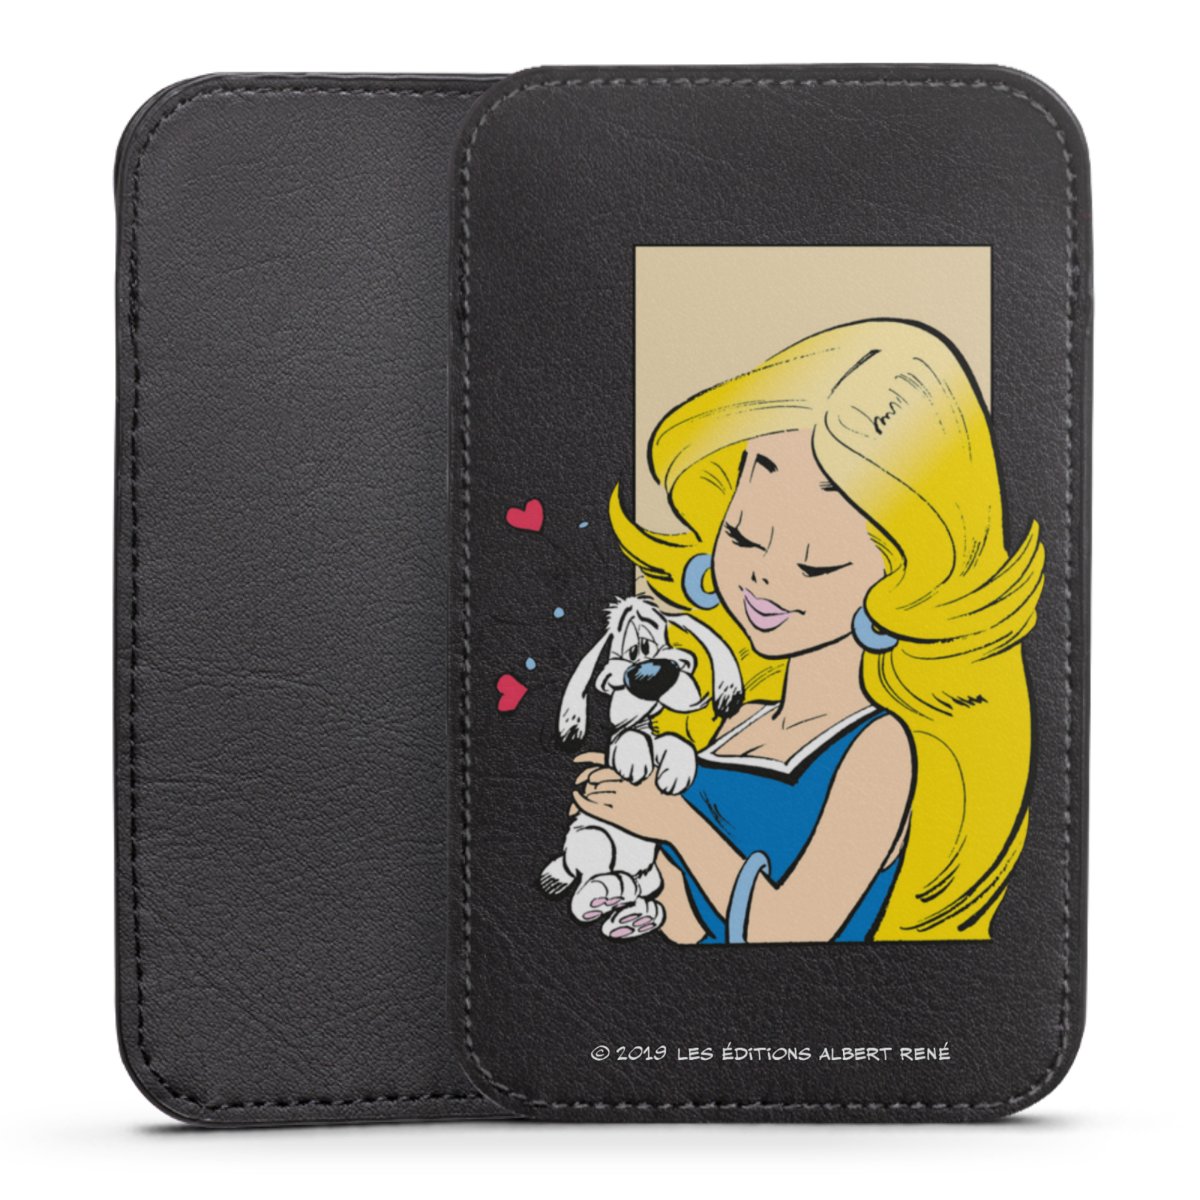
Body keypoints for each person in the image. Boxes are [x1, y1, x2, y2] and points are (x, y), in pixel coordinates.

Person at [572, 319, 1044, 942]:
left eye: (814, 565)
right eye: (741, 537)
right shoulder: (735, 723)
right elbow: (689, 931)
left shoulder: (877, 749)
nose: (763, 578)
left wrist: (671, 824)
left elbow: (791, 928)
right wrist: (620, 821)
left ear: (900, 577)